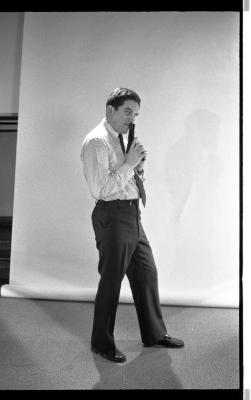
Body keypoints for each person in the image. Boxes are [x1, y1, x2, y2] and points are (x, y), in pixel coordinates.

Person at [80, 87, 184, 363]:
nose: (132, 118)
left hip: (131, 216)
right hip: (112, 216)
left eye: (136, 114)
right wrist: (129, 163)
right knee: (112, 281)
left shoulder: (121, 139)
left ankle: (154, 333)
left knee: (146, 274)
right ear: (109, 110)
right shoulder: (96, 142)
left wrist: (137, 168)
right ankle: (102, 343)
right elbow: (101, 189)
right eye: (127, 111)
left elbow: (123, 180)